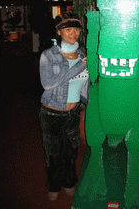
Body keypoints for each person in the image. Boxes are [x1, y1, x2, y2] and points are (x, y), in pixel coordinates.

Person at [39, 11, 89, 202]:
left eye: (76, 29)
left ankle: (69, 183)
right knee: (53, 154)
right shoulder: (48, 55)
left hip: (73, 114)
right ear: (58, 32)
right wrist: (78, 67)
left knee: (71, 153)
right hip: (52, 113)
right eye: (68, 29)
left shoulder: (83, 55)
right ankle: (53, 186)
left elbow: (84, 83)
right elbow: (48, 83)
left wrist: (85, 105)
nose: (73, 33)